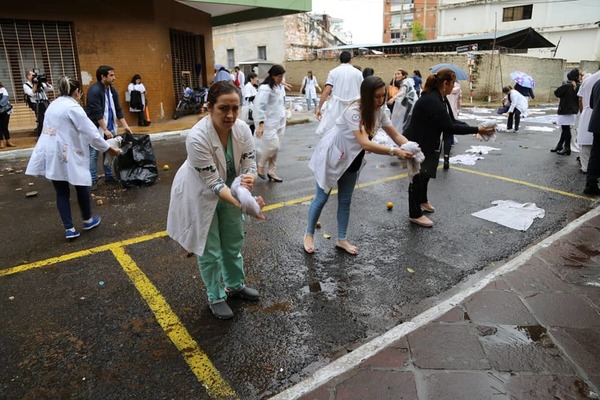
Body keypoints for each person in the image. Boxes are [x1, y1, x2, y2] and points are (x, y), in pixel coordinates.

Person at [166, 81, 264, 320]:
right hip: (201, 193)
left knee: (233, 241)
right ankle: (215, 295)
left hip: (231, 190)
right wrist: (246, 204)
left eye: (235, 108)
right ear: (209, 107)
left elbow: (250, 163)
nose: (230, 115)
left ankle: (234, 284)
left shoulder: (242, 130)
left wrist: (247, 180)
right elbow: (212, 183)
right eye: (223, 108)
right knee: (209, 250)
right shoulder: (197, 138)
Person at [303, 76, 416, 255]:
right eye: (376, 97)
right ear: (366, 96)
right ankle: (309, 235)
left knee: (346, 200)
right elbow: (365, 142)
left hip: (353, 159)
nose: (380, 100)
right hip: (332, 157)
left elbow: (395, 135)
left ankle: (342, 239)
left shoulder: (380, 112)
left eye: (383, 96)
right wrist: (395, 152)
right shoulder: (354, 112)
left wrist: (411, 147)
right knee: (321, 198)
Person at [25, 76, 121, 239]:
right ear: (77, 91)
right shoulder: (73, 108)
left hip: (50, 150)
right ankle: (88, 219)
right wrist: (109, 148)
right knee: (81, 183)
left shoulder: (53, 105)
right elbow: (91, 133)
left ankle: (69, 229)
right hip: (66, 151)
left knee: (61, 191)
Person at [404, 69, 495, 227]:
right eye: (453, 83)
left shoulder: (441, 98)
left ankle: (422, 200)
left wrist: (475, 127)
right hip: (419, 143)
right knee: (417, 178)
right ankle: (414, 213)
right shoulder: (432, 100)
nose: (454, 86)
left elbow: (452, 120)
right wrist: (476, 129)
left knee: (425, 175)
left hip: (430, 142)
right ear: (445, 83)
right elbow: (449, 127)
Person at [85, 65, 132, 190]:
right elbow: (97, 112)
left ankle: (109, 176)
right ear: (103, 77)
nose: (114, 78)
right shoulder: (94, 91)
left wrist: (125, 125)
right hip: (96, 128)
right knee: (94, 154)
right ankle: (93, 180)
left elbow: (118, 109)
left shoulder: (112, 90)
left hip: (110, 126)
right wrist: (104, 129)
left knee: (109, 152)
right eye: (111, 75)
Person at [315, 51, 363, 136]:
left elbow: (327, 90)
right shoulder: (358, 73)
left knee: (333, 133)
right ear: (351, 60)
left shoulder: (333, 72)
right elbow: (363, 91)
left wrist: (319, 107)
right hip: (354, 107)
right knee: (352, 133)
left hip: (336, 108)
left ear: (339, 60)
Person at [253, 64, 287, 182]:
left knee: (276, 150)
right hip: (268, 124)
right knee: (273, 146)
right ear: (272, 76)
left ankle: (272, 171)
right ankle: (260, 165)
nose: (281, 79)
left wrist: (282, 83)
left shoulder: (278, 86)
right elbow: (259, 107)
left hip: (280, 122)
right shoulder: (265, 89)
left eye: (282, 77)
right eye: (279, 77)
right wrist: (261, 124)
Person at [552, 68, 581, 155]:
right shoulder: (579, 86)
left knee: (565, 129)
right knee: (566, 129)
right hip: (573, 110)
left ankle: (566, 147)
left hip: (565, 110)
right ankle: (560, 145)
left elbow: (556, 93)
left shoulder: (566, 86)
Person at [577, 71, 600, 173]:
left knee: (587, 146)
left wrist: (582, 112)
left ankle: (586, 167)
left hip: (588, 112)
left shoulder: (588, 80)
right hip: (594, 112)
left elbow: (580, 98)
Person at [23, 68, 54, 138]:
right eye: (33, 75)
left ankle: (51, 134)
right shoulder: (26, 85)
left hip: (45, 102)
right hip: (37, 103)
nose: (35, 76)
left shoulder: (41, 83)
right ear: (28, 76)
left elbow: (51, 88)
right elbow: (31, 94)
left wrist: (45, 82)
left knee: (50, 118)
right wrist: (35, 84)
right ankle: (40, 136)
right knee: (41, 120)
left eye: (35, 75)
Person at [387, 69, 417, 134]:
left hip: (410, 105)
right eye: (395, 74)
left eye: (398, 74)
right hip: (408, 104)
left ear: (403, 76)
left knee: (405, 121)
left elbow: (402, 92)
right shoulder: (406, 82)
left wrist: (393, 99)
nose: (396, 76)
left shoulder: (405, 82)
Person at [584, 78, 600, 195]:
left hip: (596, 123)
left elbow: (591, 104)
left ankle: (591, 184)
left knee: (595, 154)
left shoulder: (597, 83)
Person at [443, 80, 463, 170]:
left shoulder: (442, 90)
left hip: (442, 113)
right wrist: (458, 109)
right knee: (448, 135)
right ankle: (446, 157)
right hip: (452, 112)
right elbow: (459, 100)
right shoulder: (458, 89)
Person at [0, 81, 15, 148]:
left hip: (4, 110)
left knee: (5, 126)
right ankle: (1, 142)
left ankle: (8, 141)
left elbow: (5, 98)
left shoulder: (2, 89)